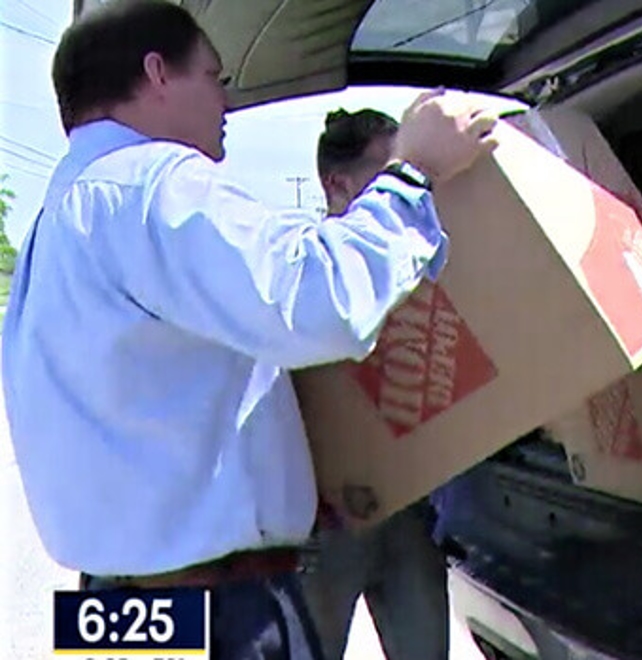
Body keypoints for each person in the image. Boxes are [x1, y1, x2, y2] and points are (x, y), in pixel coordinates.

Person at [0, 0, 497, 658]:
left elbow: (163, 402)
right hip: (216, 606)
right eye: (214, 77)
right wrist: (414, 171)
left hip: (115, 606)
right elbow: (318, 304)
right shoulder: (155, 183)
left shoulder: (61, 218)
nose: (225, 105)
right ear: (157, 74)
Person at [298, 107, 451, 660]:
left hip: (412, 512)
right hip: (329, 523)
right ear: (338, 183)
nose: (411, 191)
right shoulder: (307, 279)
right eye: (390, 174)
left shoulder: (423, 262)